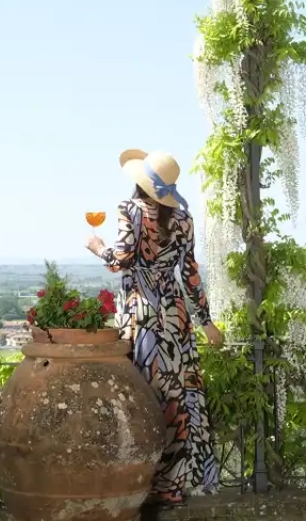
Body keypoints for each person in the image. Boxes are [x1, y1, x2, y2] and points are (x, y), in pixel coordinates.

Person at [86, 149, 224, 508]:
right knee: (175, 394)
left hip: (141, 313)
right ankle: (171, 485)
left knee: (139, 394)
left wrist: (98, 248)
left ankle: (139, 481)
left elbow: (121, 260)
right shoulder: (184, 219)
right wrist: (206, 323)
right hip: (175, 315)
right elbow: (190, 275)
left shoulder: (128, 210)